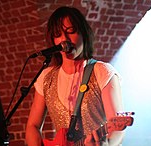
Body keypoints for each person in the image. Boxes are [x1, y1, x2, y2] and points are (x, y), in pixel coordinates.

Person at [25, 6, 124, 146]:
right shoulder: (46, 78)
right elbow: (32, 126)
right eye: (58, 34)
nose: (64, 40)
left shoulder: (102, 71)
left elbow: (117, 129)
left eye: (70, 31)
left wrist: (106, 143)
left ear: (83, 33)